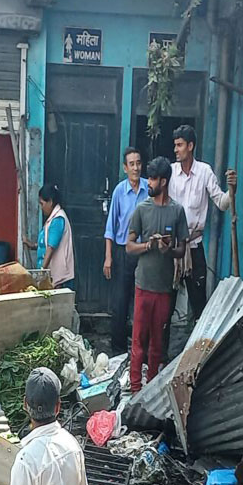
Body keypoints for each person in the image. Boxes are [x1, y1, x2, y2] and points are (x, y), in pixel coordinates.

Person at [126, 157, 188, 393]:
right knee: (138, 340)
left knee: (157, 343)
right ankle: (135, 388)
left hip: (164, 288)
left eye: (152, 179)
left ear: (163, 181)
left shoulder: (177, 211)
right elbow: (129, 246)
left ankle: (151, 388)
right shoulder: (142, 209)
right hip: (143, 284)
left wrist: (167, 250)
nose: (148, 183)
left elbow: (182, 250)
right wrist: (148, 246)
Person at [168, 125, 237, 320]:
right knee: (167, 306)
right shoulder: (170, 172)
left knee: (199, 304)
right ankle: (163, 342)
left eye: (179, 145)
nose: (176, 150)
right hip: (173, 247)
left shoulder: (204, 171)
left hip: (194, 246)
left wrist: (232, 190)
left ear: (190, 146)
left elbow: (222, 203)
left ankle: (198, 339)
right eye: (175, 145)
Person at [104, 147, 148, 356]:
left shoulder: (149, 189)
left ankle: (141, 350)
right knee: (120, 303)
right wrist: (108, 257)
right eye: (131, 164)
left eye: (138, 163)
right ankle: (118, 350)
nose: (136, 168)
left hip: (144, 252)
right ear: (125, 168)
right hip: (123, 252)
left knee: (143, 301)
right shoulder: (119, 192)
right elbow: (110, 227)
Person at [24, 185, 75, 290]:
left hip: (58, 277)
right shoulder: (52, 219)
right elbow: (47, 242)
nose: (41, 207)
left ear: (50, 202)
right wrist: (32, 245)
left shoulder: (58, 220)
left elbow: (51, 247)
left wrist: (41, 273)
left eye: (42, 203)